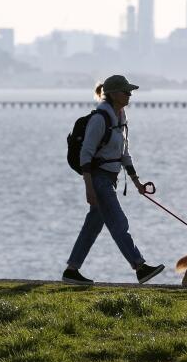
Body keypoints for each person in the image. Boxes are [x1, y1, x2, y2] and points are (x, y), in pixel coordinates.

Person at [62, 75, 165, 286]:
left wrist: (136, 181)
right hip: (98, 179)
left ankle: (71, 271)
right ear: (113, 94)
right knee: (119, 223)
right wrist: (89, 188)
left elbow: (124, 153)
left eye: (130, 91)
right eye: (126, 91)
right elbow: (86, 155)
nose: (130, 95)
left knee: (92, 227)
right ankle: (139, 267)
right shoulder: (101, 119)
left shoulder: (120, 117)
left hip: (110, 178)